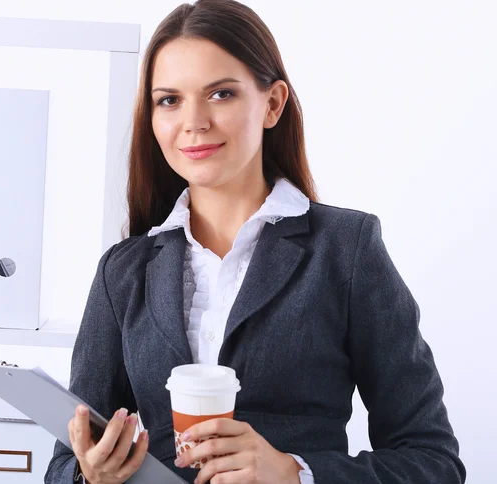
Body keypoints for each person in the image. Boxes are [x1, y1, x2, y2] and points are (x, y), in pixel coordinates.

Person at [45, 0, 465, 483]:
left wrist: (295, 472)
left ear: (272, 104)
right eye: (169, 100)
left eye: (220, 94)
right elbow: (63, 463)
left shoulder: (345, 249)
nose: (194, 121)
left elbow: (434, 463)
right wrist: (88, 476)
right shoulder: (123, 271)